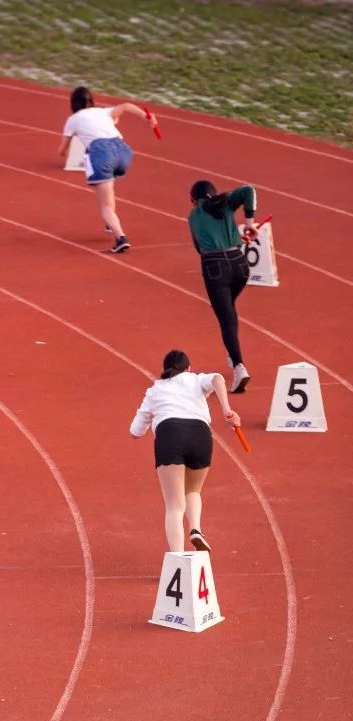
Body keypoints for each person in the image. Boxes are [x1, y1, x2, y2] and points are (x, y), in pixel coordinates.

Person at [129, 349, 241, 553]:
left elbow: (135, 431)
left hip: (169, 434)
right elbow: (217, 378)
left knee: (174, 506)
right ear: (188, 368)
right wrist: (226, 409)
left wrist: (148, 421)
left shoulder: (155, 390)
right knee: (193, 489)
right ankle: (196, 528)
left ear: (165, 371)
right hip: (200, 435)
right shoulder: (196, 379)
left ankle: (178, 559)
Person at [58, 86, 158, 254]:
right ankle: (110, 223)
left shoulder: (73, 119)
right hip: (123, 152)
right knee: (108, 189)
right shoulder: (102, 111)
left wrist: (70, 151)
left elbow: (61, 151)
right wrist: (146, 117)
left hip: (101, 154)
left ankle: (120, 237)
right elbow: (126, 106)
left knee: (105, 205)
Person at [188, 179, 259, 394]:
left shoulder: (193, 216)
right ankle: (233, 351)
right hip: (240, 265)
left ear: (194, 200)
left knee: (226, 319)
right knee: (229, 311)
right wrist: (248, 223)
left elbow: (200, 248)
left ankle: (239, 367)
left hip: (215, 267)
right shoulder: (225, 202)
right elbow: (249, 189)